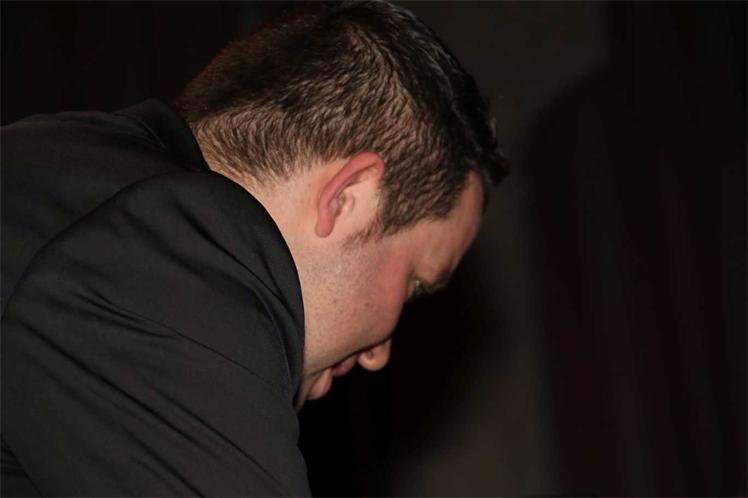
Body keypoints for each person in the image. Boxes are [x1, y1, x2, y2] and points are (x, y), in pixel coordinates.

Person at [1, 1, 507, 495]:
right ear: (349, 199)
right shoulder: (173, 260)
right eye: (415, 282)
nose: (379, 353)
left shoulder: (66, 165)